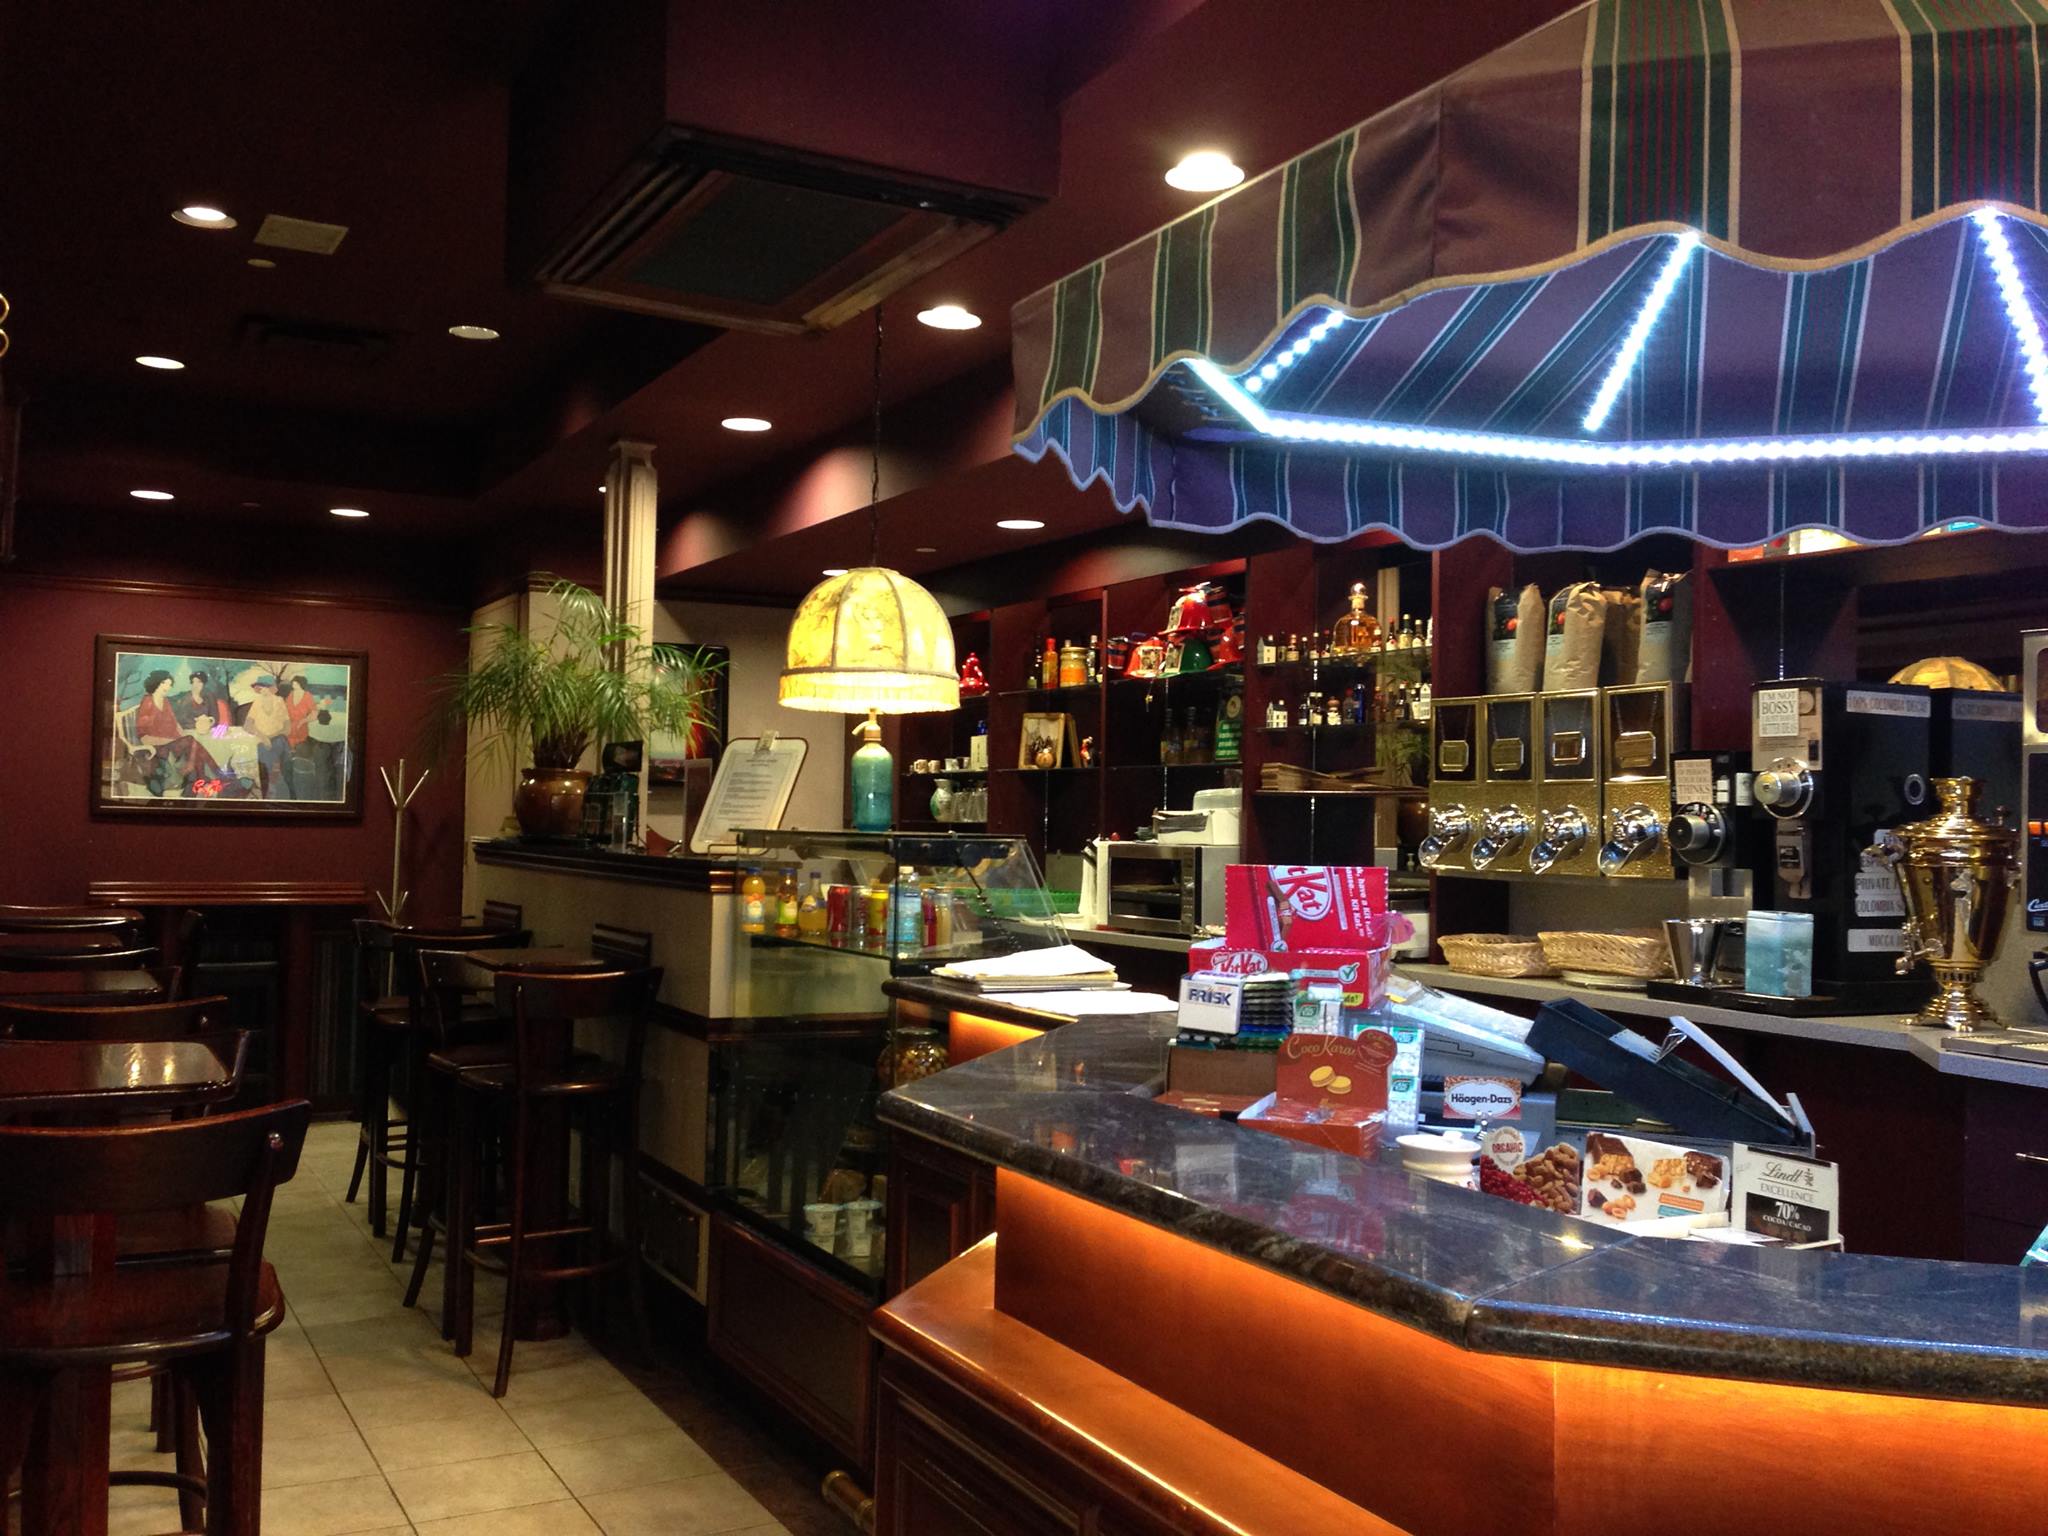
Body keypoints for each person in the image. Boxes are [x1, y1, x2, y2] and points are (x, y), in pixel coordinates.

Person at [132, 669, 212, 793]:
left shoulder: (165, 701)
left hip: (170, 744)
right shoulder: (148, 702)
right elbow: (144, 737)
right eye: (164, 683)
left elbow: (175, 724)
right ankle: (202, 775)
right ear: (155, 682)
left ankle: (198, 776)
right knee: (191, 742)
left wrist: (183, 736)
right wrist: (174, 740)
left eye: (169, 684)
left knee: (192, 742)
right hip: (157, 747)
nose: (167, 687)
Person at [243, 673, 294, 800]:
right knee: (263, 751)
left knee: (279, 747)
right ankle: (268, 788)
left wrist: (272, 736)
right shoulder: (257, 702)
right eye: (261, 687)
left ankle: (284, 787)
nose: (263, 690)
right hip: (261, 739)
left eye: (266, 687)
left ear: (272, 688)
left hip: (278, 738)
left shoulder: (279, 701)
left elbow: (287, 727)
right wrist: (263, 737)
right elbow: (247, 725)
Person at [171, 668, 233, 735]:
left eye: (199, 682)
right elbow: (182, 720)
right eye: (193, 682)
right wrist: (197, 724)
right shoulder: (186, 699)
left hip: (207, 731)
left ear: (203, 684)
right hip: (190, 732)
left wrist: (208, 723)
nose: (196, 685)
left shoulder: (209, 696)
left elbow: (215, 718)